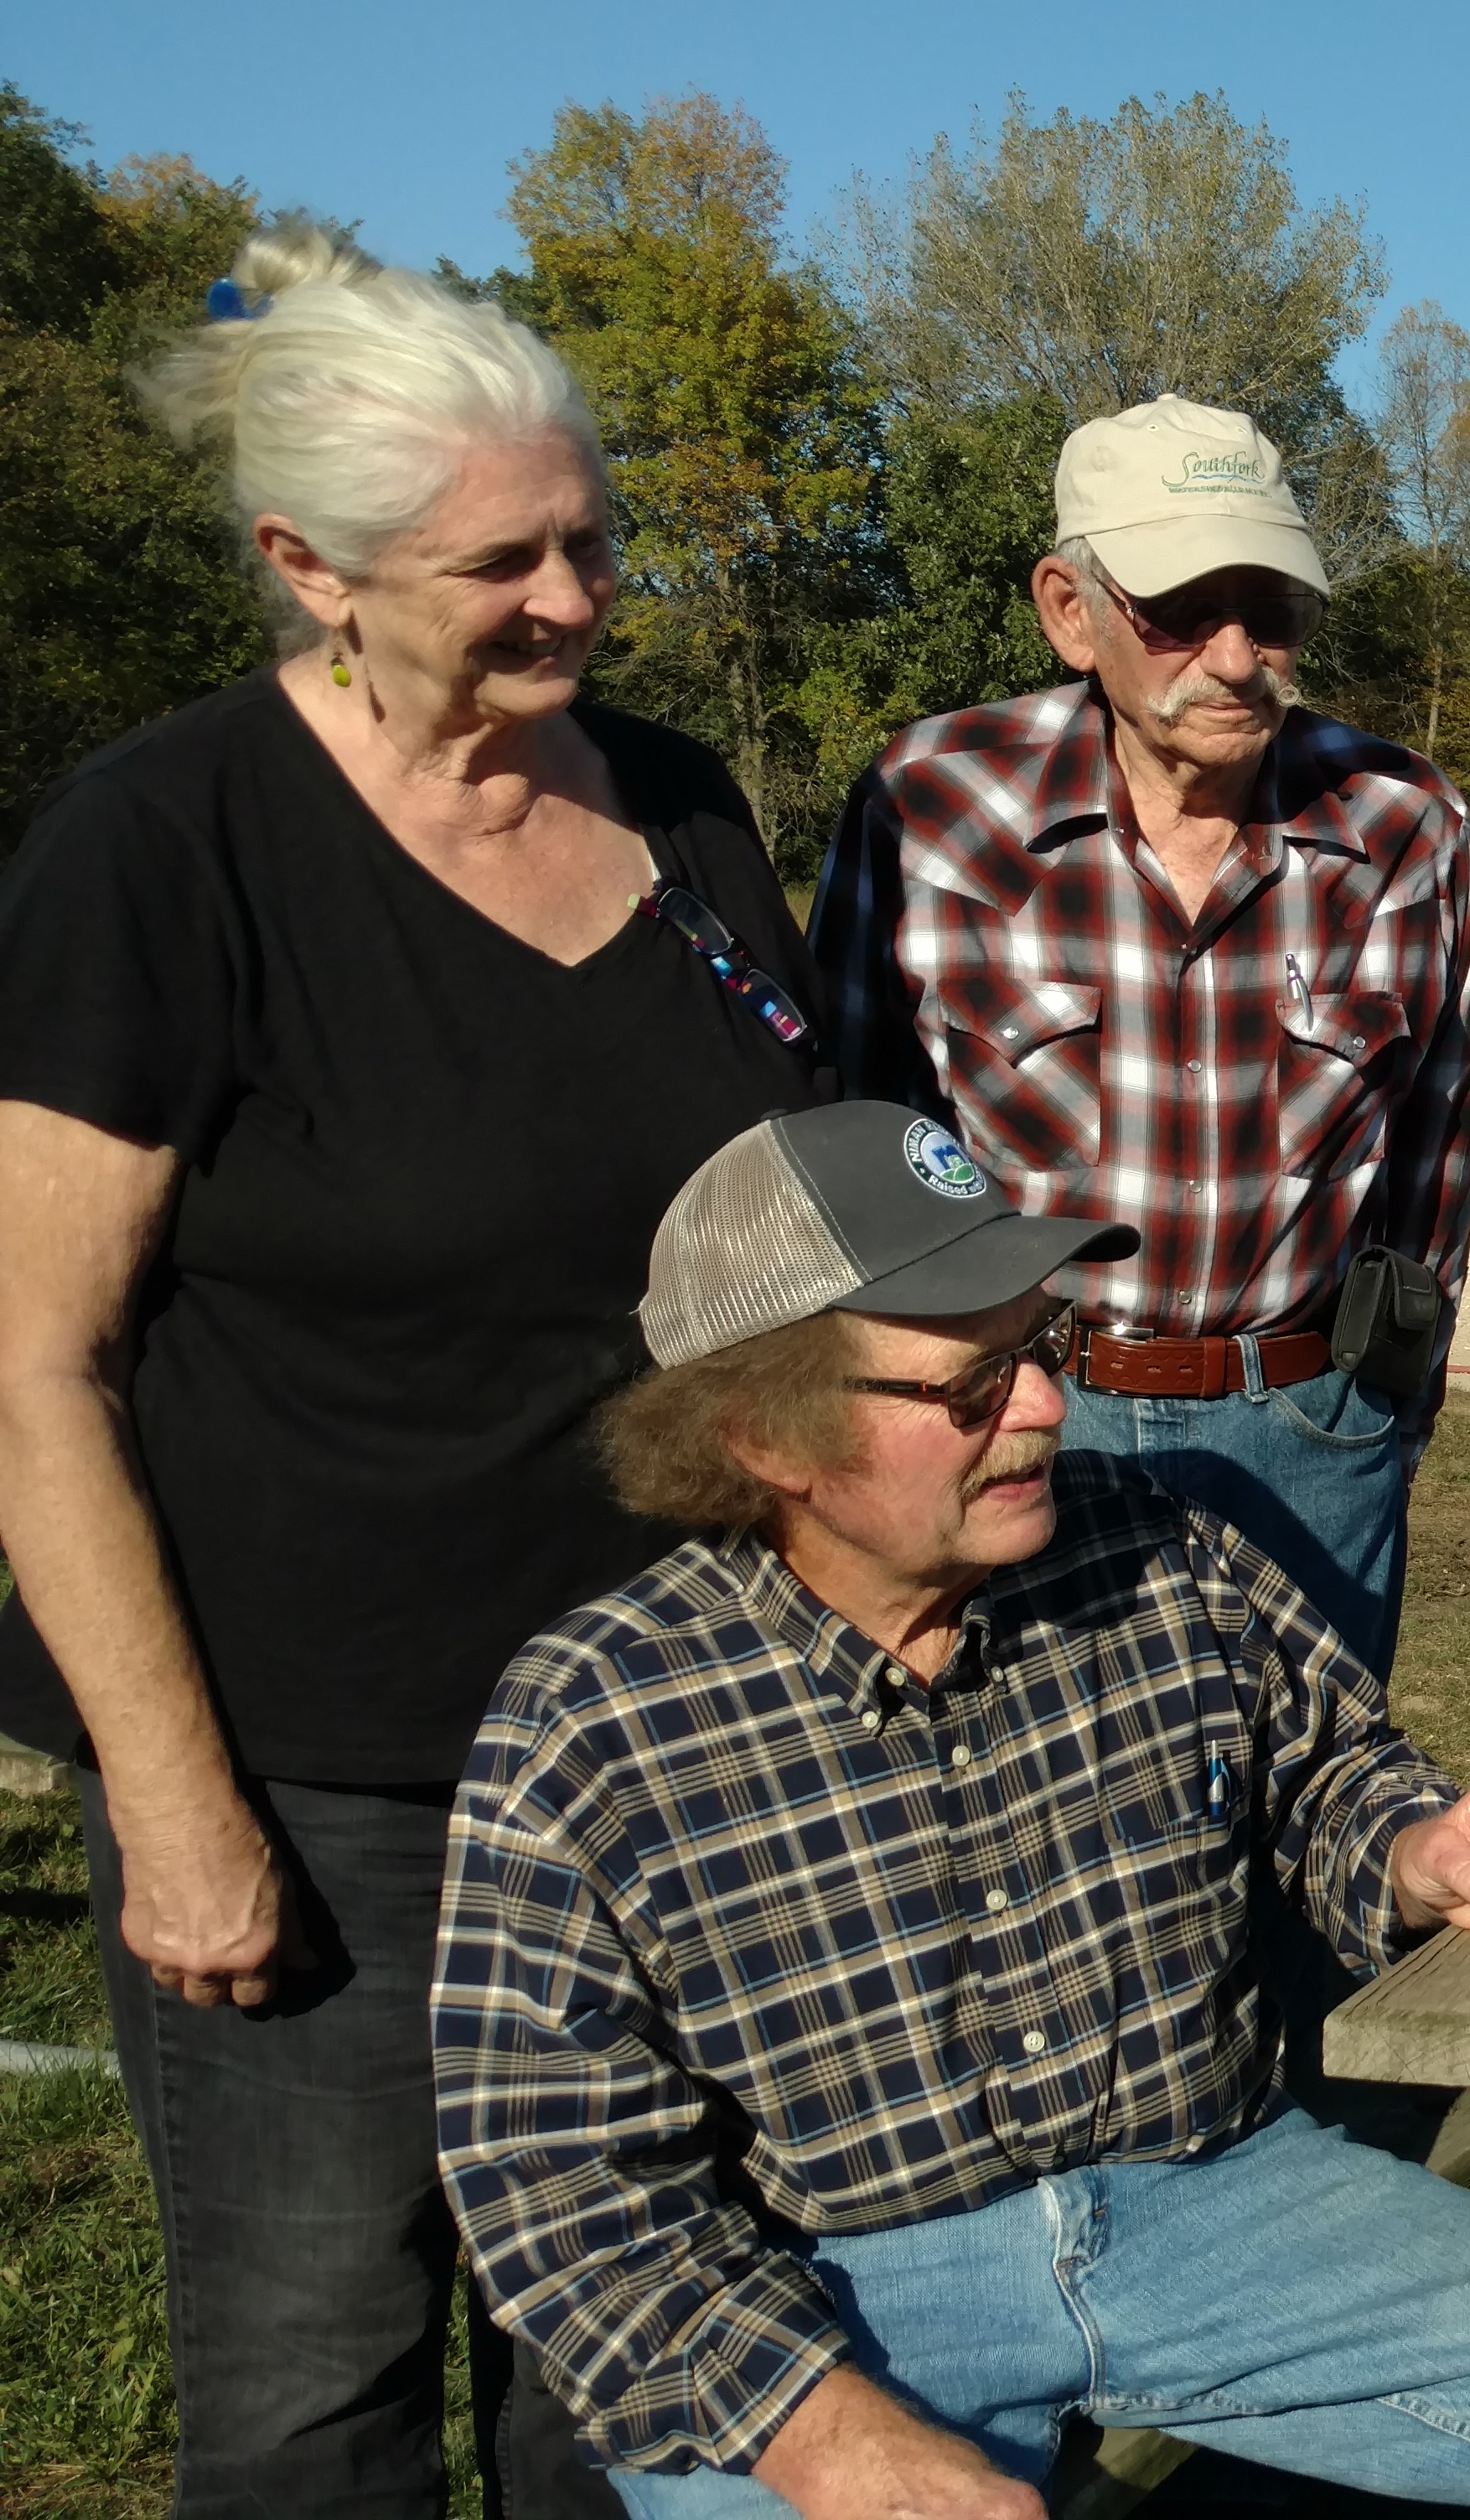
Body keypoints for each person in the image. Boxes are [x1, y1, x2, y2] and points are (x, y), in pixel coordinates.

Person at [0, 219, 834, 2517]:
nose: (574, 602)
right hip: (322, 1774)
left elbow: (784, 1236)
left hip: (669, 1753)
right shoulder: (158, 848)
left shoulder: (676, 810)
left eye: (591, 540)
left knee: (640, 2366)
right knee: (314, 2390)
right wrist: (181, 1807)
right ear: (310, 567)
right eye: (503, 564)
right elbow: (31, 1368)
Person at [432, 1102, 1470, 2519]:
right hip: (837, 2289)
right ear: (767, 1434)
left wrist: (1417, 1844)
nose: (1045, 1408)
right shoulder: (596, 1721)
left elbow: (1318, 1770)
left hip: (1213, 2196)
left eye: (1042, 1347)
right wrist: (827, 2440)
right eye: (971, 1386)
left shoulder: (1150, 1539)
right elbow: (553, 2184)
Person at [810, 394, 1470, 1675]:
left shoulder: (1406, 823)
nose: (1235, 658)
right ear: (1071, 608)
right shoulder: (929, 806)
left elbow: (1435, 1167)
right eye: (1181, 609)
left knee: (1316, 1842)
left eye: (1271, 609)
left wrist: (1379, 1408)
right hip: (1015, 1428)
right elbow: (855, 1149)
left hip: (1309, 1429)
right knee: (1032, 1848)